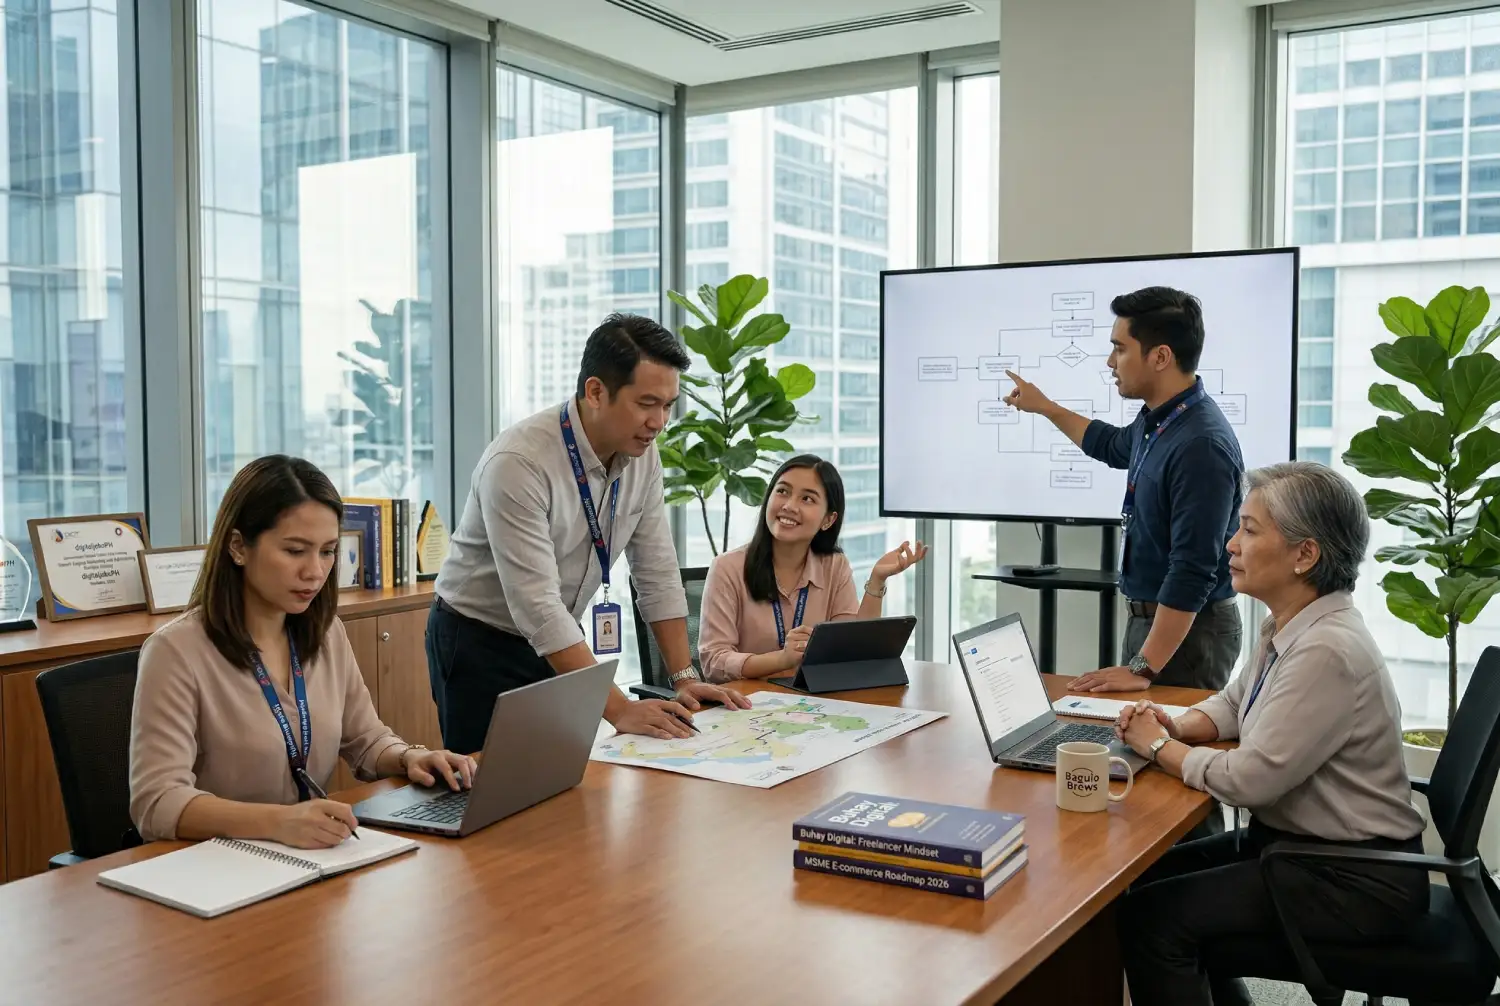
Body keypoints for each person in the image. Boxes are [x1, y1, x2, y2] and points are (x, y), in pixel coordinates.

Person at [1111, 462, 1428, 1006]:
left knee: (1153, 923)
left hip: (1350, 879)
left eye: (1250, 530)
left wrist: (1159, 747)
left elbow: (1251, 781)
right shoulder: (1293, 623)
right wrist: (1178, 722)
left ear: (1306, 555)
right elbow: (1236, 703)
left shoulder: (1326, 650)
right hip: (1301, 850)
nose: (1231, 545)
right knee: (1143, 877)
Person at [430, 314, 749, 754]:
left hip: (561, 633)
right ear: (596, 391)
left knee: (564, 779)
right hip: (480, 638)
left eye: (668, 405)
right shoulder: (519, 462)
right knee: (488, 790)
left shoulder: (642, 454)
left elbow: (656, 570)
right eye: (646, 403)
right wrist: (619, 709)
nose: (659, 422)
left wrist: (685, 678)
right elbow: (536, 605)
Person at [130, 456, 476, 850]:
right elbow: (156, 802)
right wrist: (277, 822)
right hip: (217, 866)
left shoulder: (327, 633)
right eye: (295, 551)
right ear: (238, 546)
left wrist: (409, 757)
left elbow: (364, 738)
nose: (315, 571)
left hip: (310, 856)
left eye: (328, 551)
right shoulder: (176, 652)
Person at [1005, 286, 1243, 694]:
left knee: (1168, 750)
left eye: (1120, 348)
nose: (1110, 362)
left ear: (1161, 356)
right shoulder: (1160, 419)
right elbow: (1112, 445)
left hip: (1189, 634)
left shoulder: (1200, 445)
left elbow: (1193, 570)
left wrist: (1144, 667)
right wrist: (1046, 407)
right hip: (1154, 625)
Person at [698, 455, 927, 681]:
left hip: (812, 705)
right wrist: (781, 659)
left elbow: (853, 652)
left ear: (828, 520)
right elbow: (714, 662)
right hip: (748, 706)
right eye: (782, 491)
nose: (789, 506)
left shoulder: (834, 566)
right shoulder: (727, 568)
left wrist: (877, 580)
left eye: (807, 499)